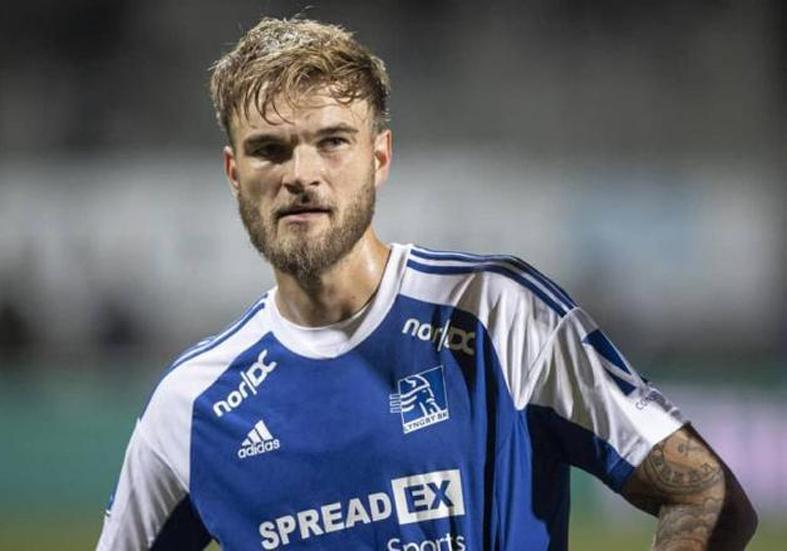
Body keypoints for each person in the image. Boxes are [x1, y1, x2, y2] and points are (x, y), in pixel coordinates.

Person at [96, 16, 757, 550]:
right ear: (234, 173)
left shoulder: (496, 314)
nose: (301, 174)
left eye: (332, 141)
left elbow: (704, 494)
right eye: (269, 149)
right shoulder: (191, 406)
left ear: (379, 157)